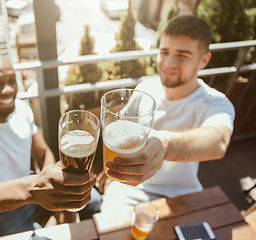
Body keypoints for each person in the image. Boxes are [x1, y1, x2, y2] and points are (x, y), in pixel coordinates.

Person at [0, 50, 101, 238]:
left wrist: (59, 191)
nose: (8, 89)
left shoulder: (22, 110)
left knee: (94, 201)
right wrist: (32, 189)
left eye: (12, 80)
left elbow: (42, 153)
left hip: (30, 187)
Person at [99, 15, 235, 214]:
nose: (169, 62)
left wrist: (166, 145)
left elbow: (219, 141)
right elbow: (120, 133)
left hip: (183, 193)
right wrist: (106, 172)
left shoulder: (216, 102)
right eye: (164, 52)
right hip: (132, 188)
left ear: (204, 60)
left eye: (182, 55)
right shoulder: (145, 88)